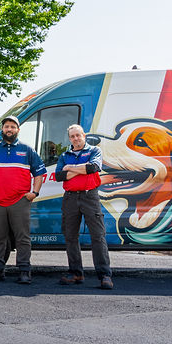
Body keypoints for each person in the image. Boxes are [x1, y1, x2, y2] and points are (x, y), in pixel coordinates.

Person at [0, 115, 46, 284]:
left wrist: (34, 192)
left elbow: (39, 172)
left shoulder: (27, 150)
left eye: (12, 127)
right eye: (6, 126)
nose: (9, 129)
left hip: (20, 202)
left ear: (18, 130)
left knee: (22, 238)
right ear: (2, 129)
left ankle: (24, 271)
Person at [54, 124, 112, 290]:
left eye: (78, 135)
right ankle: (76, 273)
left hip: (90, 196)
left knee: (98, 236)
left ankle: (105, 275)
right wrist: (82, 169)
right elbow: (59, 175)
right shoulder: (65, 155)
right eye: (72, 136)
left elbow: (93, 167)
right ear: (69, 138)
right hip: (70, 198)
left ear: (84, 135)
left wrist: (70, 168)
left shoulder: (94, 151)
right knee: (70, 236)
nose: (75, 139)